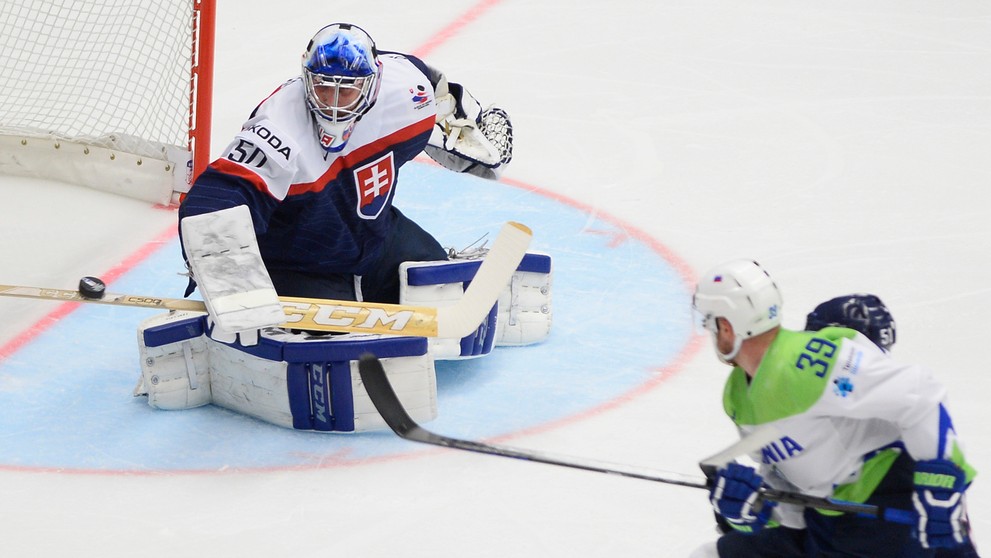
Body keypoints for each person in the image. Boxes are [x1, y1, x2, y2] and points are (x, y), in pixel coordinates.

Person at [178, 22, 513, 318]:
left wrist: (462, 124)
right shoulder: (278, 126)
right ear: (306, 80)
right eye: (323, 86)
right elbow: (215, 199)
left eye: (347, 89)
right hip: (300, 261)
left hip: (376, 239)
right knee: (340, 346)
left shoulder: (406, 92)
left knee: (442, 286)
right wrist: (229, 287)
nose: (333, 101)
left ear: (372, 83)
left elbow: (432, 83)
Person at [689, 260, 978, 558]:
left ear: (726, 326)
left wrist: (940, 484)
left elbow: (920, 394)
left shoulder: (809, 362)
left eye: (711, 324)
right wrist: (750, 509)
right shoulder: (737, 395)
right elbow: (790, 488)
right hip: (831, 529)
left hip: (888, 516)